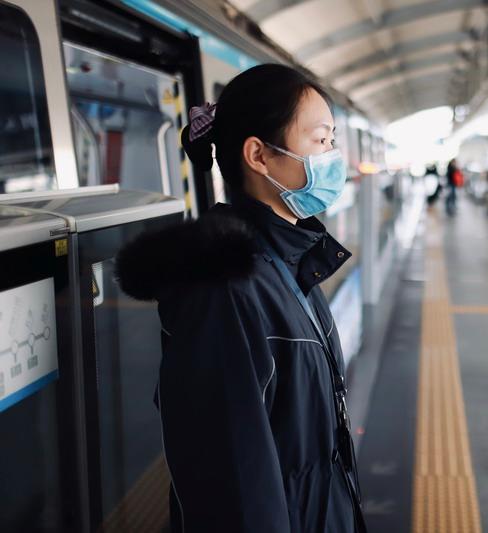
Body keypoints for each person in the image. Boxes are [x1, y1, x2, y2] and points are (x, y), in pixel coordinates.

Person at [114, 64, 366, 533]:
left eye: (333, 141)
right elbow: (230, 485)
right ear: (259, 156)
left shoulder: (290, 260)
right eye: (321, 140)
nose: (334, 157)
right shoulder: (224, 290)